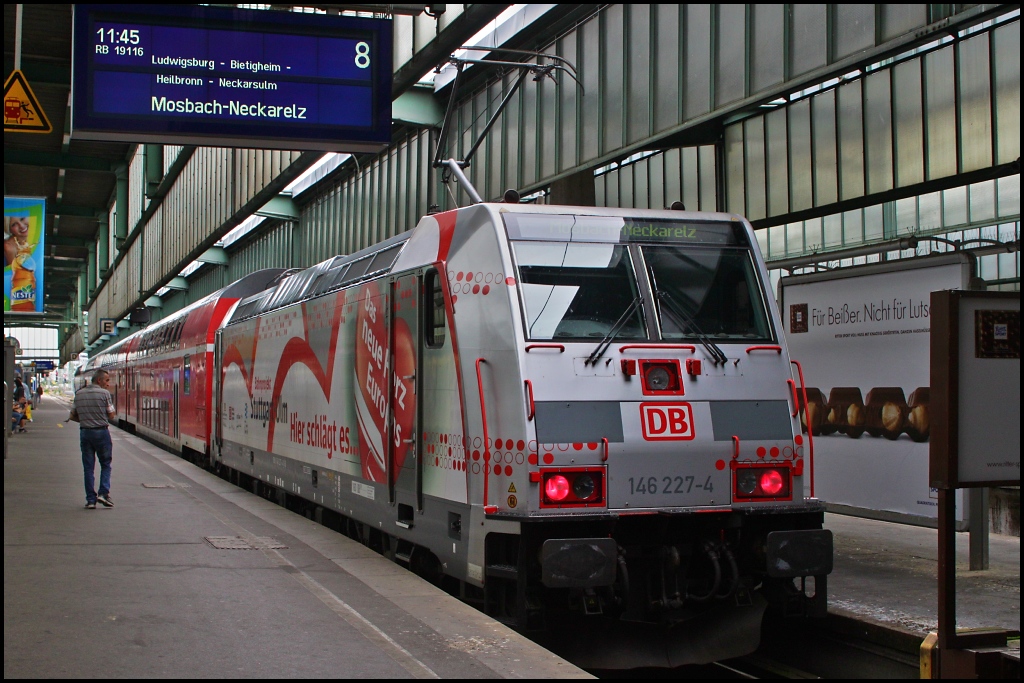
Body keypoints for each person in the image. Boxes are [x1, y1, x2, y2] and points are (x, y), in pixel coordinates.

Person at [71, 369, 117, 509]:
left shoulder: (79, 394)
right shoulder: (104, 394)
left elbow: (73, 415)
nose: (108, 384)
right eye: (107, 380)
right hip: (101, 432)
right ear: (99, 381)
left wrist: (86, 420)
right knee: (105, 464)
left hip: (85, 433)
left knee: (88, 468)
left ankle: (91, 500)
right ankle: (103, 493)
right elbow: (111, 415)